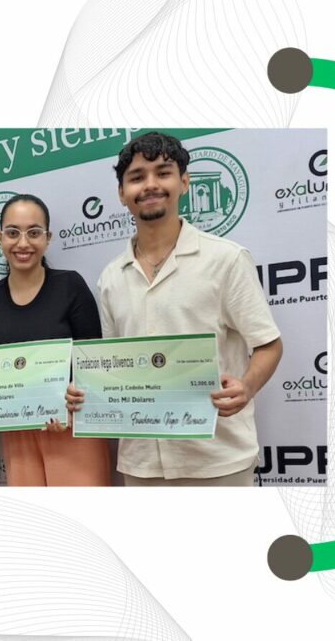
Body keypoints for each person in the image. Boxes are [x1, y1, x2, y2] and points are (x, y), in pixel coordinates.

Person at [67, 132, 283, 486]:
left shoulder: (227, 260)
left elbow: (269, 344)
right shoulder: (110, 277)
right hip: (140, 463)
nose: (150, 185)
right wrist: (86, 391)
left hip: (218, 459)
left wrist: (247, 386)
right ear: (122, 193)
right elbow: (113, 365)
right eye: (137, 177)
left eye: (163, 172)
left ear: (184, 182)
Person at [0, 194, 112, 486]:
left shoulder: (70, 285)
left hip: (73, 428)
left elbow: (94, 361)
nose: (23, 243)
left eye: (34, 232)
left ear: (48, 238)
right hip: (17, 433)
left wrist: (74, 394)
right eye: (13, 232)